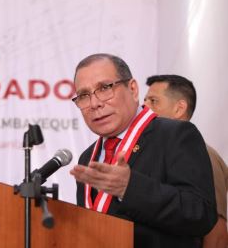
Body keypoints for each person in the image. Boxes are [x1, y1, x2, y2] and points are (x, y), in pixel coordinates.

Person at [69, 53, 217, 248]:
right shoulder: (87, 157)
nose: (95, 103)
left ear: (133, 89)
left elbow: (201, 214)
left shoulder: (176, 135)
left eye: (104, 88)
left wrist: (129, 188)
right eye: (83, 95)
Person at [144, 74, 228, 248]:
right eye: (144, 100)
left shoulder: (203, 155)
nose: (144, 106)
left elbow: (217, 234)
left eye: (153, 101)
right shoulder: (159, 152)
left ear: (179, 109)